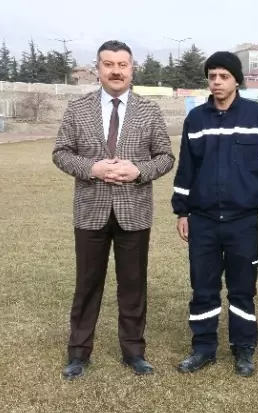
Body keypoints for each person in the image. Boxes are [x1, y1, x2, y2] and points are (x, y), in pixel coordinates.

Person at [171, 51, 258, 377]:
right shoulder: (196, 120)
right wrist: (182, 211)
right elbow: (187, 168)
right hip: (202, 220)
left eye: (223, 76)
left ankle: (243, 348)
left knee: (243, 289)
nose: (217, 82)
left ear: (236, 80)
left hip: (243, 221)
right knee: (203, 287)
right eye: (212, 76)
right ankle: (203, 348)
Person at [52, 40, 176, 380]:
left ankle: (134, 352)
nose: (116, 70)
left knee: (133, 285)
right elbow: (61, 152)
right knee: (87, 284)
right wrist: (91, 168)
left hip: (134, 212)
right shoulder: (78, 109)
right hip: (90, 211)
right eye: (109, 64)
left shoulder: (149, 110)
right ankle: (78, 353)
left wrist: (140, 171)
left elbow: (165, 157)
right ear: (98, 69)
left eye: (123, 64)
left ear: (132, 69)